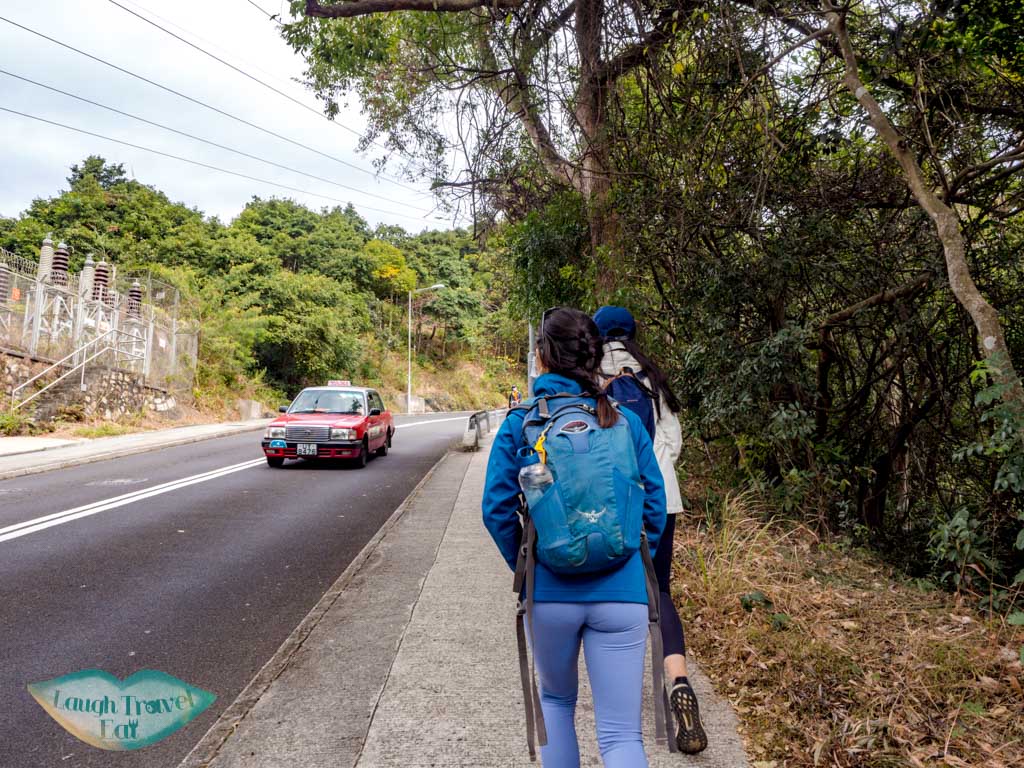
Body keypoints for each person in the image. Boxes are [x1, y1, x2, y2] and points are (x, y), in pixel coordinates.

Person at [483, 307, 667, 767]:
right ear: (595, 356)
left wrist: (528, 564)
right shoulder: (624, 420)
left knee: (557, 705)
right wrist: (629, 556)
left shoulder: (520, 423)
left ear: (541, 356)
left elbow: (496, 510)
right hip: (622, 593)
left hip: (550, 595)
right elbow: (654, 507)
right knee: (622, 735)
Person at [593, 305, 708, 755]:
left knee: (615, 595)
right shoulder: (652, 377)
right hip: (665, 501)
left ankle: (619, 706)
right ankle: (678, 679)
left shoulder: (591, 376)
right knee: (660, 591)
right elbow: (674, 443)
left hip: (616, 505)